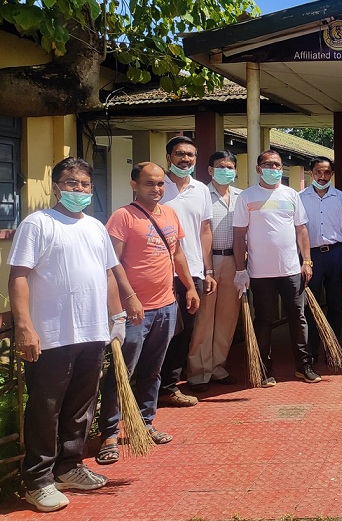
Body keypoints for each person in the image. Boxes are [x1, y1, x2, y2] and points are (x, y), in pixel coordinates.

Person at [8, 158, 122, 511]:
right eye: (72, 183)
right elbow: (18, 275)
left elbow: (107, 273)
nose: (79, 189)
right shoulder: (38, 223)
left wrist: (116, 316)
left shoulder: (96, 226)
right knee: (46, 408)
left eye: (85, 184)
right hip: (52, 334)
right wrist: (24, 326)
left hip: (92, 331)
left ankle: (69, 467)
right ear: (56, 187)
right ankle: (37, 480)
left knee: (81, 405)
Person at [98, 162, 200, 465]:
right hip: (134, 312)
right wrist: (125, 302)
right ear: (134, 185)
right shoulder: (123, 217)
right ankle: (109, 434)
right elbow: (110, 265)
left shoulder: (169, 213)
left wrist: (189, 287)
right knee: (122, 372)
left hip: (166, 306)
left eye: (160, 184)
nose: (156, 189)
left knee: (153, 370)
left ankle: (145, 422)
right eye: (149, 183)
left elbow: (177, 254)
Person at [232, 150, 319, 386]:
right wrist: (240, 270)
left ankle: (304, 366)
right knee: (264, 320)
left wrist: (307, 261)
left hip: (291, 270)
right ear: (258, 169)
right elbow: (239, 235)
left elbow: (301, 230)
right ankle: (263, 369)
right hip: (260, 273)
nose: (273, 169)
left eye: (277, 165)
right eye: (268, 165)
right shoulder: (247, 197)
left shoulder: (291, 194)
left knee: (298, 318)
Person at [159, 136, 213, 406]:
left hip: (192, 271)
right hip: (160, 272)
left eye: (190, 155)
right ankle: (149, 386)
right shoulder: (158, 186)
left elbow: (205, 231)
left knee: (185, 331)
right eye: (180, 154)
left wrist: (208, 269)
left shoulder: (201, 189)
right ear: (169, 157)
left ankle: (169, 386)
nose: (185, 159)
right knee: (161, 330)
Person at [188, 151, 241, 391]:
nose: (225, 171)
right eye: (221, 166)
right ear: (210, 170)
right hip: (208, 262)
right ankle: (199, 372)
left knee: (228, 318)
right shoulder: (201, 194)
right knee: (205, 317)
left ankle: (218, 366)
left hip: (234, 261)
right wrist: (206, 268)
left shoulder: (241, 196)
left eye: (230, 167)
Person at [300, 156, 342, 359]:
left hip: (336, 254)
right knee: (311, 304)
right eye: (318, 172)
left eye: (327, 172)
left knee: (335, 303)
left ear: (332, 173)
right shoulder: (300, 198)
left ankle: (333, 348)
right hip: (311, 256)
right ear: (311, 173)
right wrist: (303, 260)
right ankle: (312, 350)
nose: (322, 176)